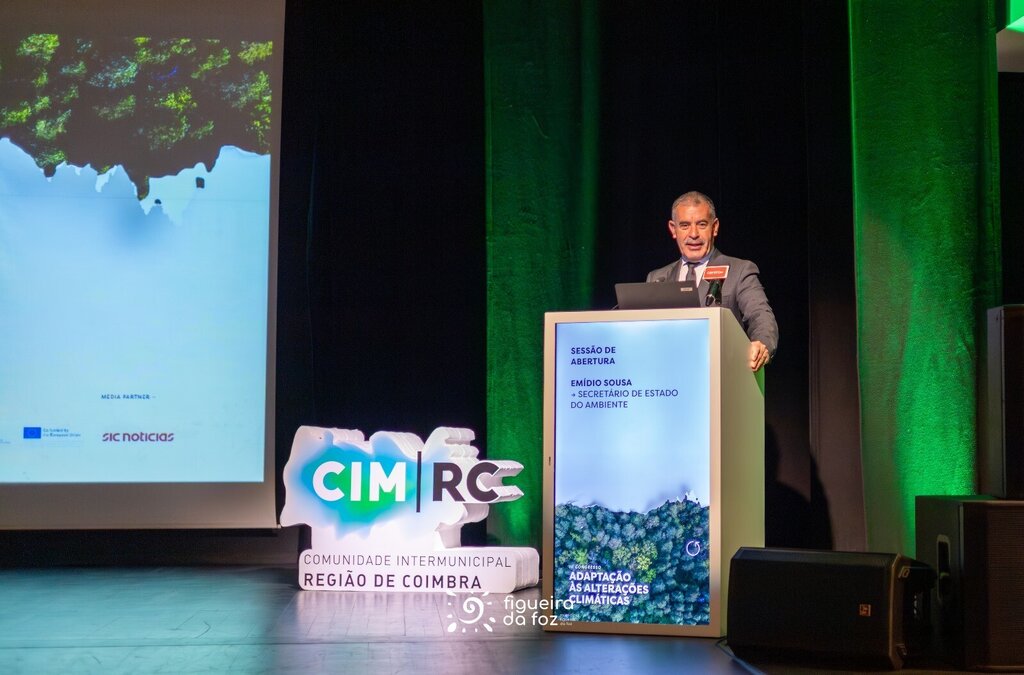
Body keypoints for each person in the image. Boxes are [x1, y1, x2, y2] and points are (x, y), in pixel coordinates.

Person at [646, 191, 778, 371]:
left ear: (714, 227)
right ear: (673, 229)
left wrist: (761, 344)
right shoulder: (657, 278)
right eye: (685, 225)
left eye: (701, 224)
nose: (693, 234)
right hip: (669, 379)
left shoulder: (739, 271)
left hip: (721, 375)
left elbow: (760, 315)